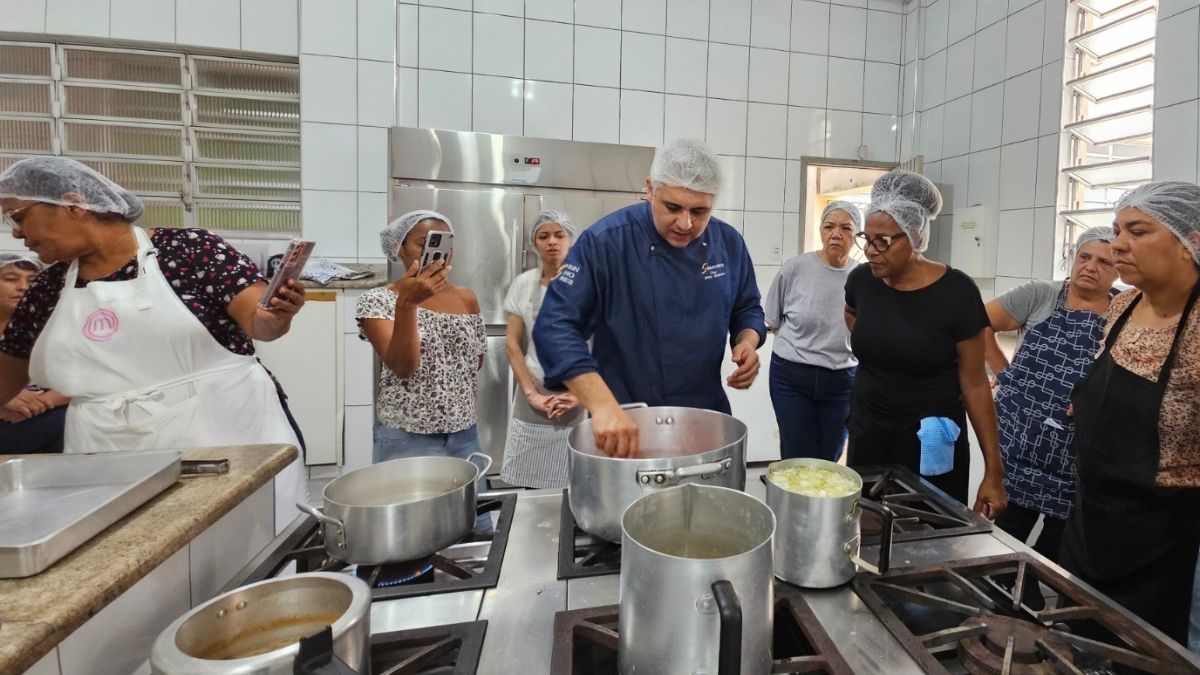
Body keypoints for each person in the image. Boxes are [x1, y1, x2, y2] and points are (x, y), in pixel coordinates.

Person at [0, 157, 308, 532]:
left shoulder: (188, 250)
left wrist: (279, 313)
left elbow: (261, 323)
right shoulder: (48, 290)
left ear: (73, 205)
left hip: (225, 434)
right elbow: (7, 376)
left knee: (249, 550)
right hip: (108, 455)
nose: (15, 233)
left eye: (17, 216)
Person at [533, 138, 767, 458]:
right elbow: (554, 326)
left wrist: (747, 342)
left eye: (700, 211)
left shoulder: (728, 244)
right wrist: (602, 406)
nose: (686, 224)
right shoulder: (606, 242)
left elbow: (747, 307)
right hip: (625, 423)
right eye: (673, 207)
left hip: (704, 420)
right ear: (650, 189)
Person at [1060, 181, 1200, 646]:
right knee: (1080, 642)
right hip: (1091, 520)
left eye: (1137, 231)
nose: (1118, 244)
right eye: (1118, 230)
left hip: (1162, 540)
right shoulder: (1122, 305)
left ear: (1191, 242)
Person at [843, 169, 1007, 516]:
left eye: (883, 241)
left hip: (928, 440)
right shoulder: (862, 280)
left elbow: (975, 383)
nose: (870, 251)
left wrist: (994, 470)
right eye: (866, 238)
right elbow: (855, 320)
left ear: (914, 236)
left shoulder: (956, 292)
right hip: (869, 432)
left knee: (930, 532)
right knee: (868, 530)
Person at [981, 227, 1117, 562]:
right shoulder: (1041, 295)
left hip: (1075, 450)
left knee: (1058, 546)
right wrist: (1003, 371)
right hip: (1019, 438)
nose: (1090, 266)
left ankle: (1034, 600)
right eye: (1084, 257)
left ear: (1118, 271)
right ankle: (998, 597)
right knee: (1002, 538)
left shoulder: (1124, 313)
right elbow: (978, 322)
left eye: (1103, 261)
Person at [356, 210, 490, 529]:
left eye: (445, 244)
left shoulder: (467, 298)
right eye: (424, 243)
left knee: (476, 531)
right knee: (408, 534)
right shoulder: (376, 301)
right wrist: (408, 304)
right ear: (399, 249)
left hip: (464, 436)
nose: (437, 252)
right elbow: (403, 366)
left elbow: (476, 360)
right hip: (406, 439)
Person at [765, 201, 861, 462]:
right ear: (821, 231)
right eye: (829, 226)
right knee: (796, 455)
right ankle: (792, 504)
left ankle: (822, 505)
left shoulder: (864, 277)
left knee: (830, 454)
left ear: (857, 235)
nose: (836, 233)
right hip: (791, 376)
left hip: (842, 379)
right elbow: (772, 320)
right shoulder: (795, 268)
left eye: (845, 227)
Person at [500, 210, 583, 488]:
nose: (552, 242)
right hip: (533, 395)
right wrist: (531, 393)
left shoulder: (588, 284)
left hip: (580, 396)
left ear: (572, 239)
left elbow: (606, 348)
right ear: (534, 243)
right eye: (543, 236)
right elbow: (512, 344)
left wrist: (578, 395)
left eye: (559, 235)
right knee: (529, 485)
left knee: (575, 481)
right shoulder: (523, 285)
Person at [0, 252, 67, 453]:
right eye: (10, 279)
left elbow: (87, 379)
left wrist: (42, 403)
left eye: (32, 281)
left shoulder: (56, 329)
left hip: (47, 416)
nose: (23, 287)